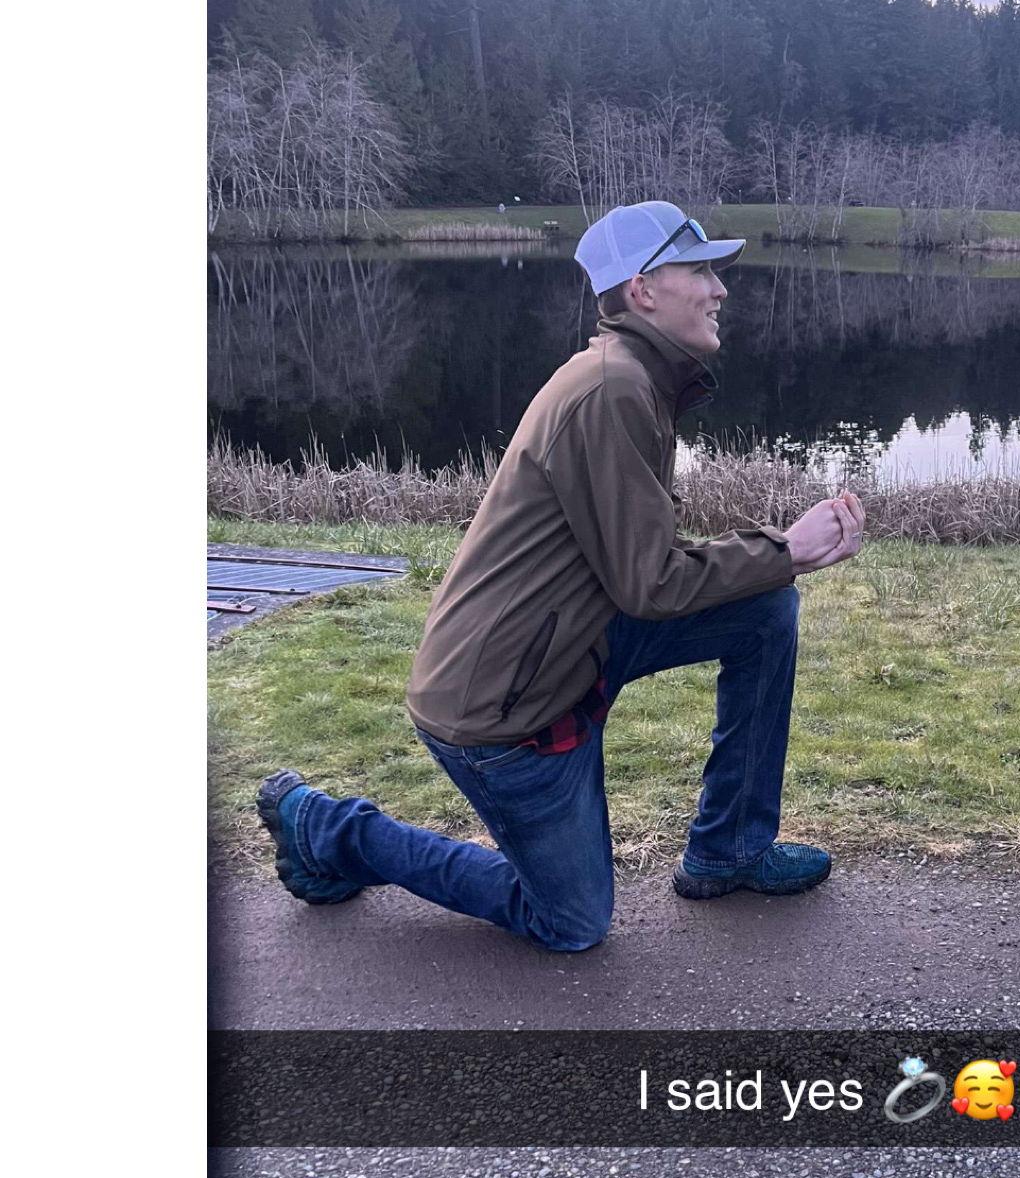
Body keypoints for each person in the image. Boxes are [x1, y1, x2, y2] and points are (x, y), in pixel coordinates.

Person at [256, 200, 866, 952]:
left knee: (763, 611)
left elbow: (637, 563)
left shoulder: (634, 378)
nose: (720, 289)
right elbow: (652, 585)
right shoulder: (612, 390)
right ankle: (328, 829)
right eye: (701, 271)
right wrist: (787, 550)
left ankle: (730, 849)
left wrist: (774, 565)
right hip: (504, 705)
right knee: (571, 922)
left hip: (573, 645)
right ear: (643, 290)